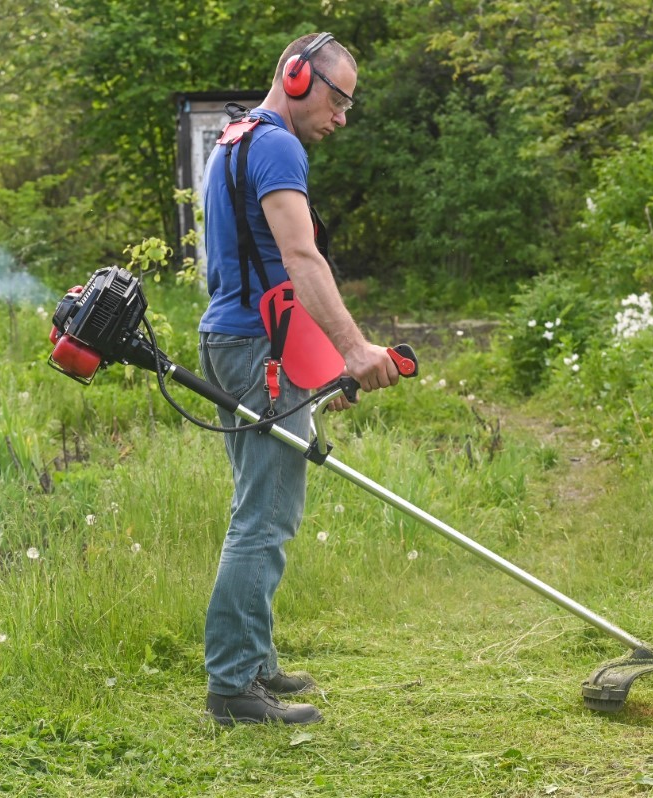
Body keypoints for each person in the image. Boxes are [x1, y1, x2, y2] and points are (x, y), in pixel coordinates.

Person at [197, 32, 400, 726]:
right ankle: (231, 687)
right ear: (295, 75)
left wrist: (316, 363)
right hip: (259, 348)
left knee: (259, 507)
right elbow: (299, 257)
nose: (342, 117)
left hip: (235, 340)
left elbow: (257, 271)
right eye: (338, 99)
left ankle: (254, 662)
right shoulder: (279, 144)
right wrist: (353, 350)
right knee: (264, 517)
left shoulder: (233, 138)